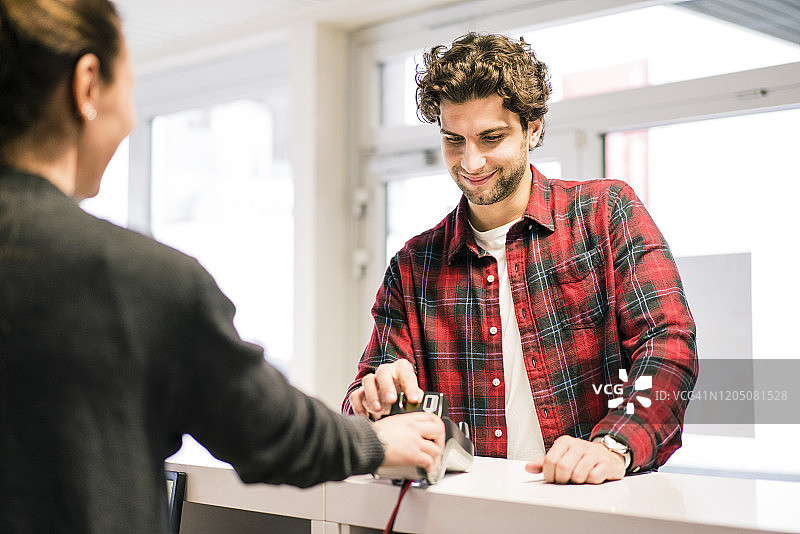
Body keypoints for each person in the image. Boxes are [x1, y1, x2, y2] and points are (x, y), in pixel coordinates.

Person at [0, 1, 444, 532]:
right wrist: (376, 443)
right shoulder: (138, 281)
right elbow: (269, 430)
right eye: (132, 85)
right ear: (88, 85)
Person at [343, 32, 698, 484]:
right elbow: (363, 392)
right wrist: (370, 399)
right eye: (454, 140)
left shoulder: (606, 213)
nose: (471, 161)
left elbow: (669, 346)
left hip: (590, 499)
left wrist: (614, 445)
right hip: (466, 509)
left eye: (491, 137)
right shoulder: (414, 266)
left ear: (533, 128)